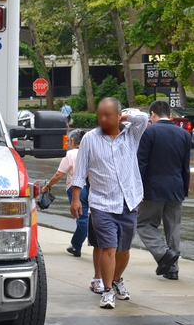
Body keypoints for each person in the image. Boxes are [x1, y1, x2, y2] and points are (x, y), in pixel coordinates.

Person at [70, 97, 147, 309]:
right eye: (100, 115)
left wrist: (123, 116)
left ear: (118, 115)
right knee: (108, 247)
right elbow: (79, 171)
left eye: (108, 115)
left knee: (124, 250)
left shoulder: (131, 134)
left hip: (128, 200)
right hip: (102, 202)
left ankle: (116, 279)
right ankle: (107, 290)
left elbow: (143, 117)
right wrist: (76, 198)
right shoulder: (90, 139)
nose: (103, 119)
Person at [136, 100, 190, 280]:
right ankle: (172, 269)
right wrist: (184, 188)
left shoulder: (149, 131)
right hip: (176, 187)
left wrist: (138, 188)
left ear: (152, 114)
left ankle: (163, 254)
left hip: (153, 187)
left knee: (144, 223)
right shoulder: (183, 134)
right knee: (173, 227)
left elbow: (141, 163)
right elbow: (185, 165)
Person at [41, 128, 88, 257]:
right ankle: (76, 245)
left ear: (72, 141)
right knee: (86, 218)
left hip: (77, 189)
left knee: (82, 219)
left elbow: (59, 174)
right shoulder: (90, 152)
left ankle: (103, 244)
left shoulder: (70, 154)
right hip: (93, 188)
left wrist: (48, 186)